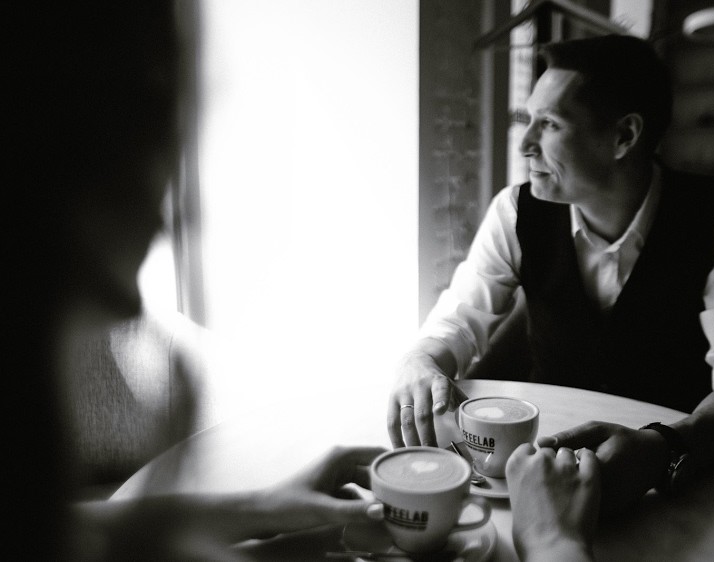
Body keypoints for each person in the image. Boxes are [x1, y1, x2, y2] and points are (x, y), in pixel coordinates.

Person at [5, 2, 599, 559]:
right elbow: (460, 316)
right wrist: (553, 542)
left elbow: (65, 528)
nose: (167, 223)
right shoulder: (516, 212)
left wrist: (264, 510)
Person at [389, 34, 714, 514]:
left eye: (550, 124)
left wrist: (665, 446)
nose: (525, 145)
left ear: (624, 136)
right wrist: (420, 361)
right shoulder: (514, 211)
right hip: (545, 464)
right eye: (528, 120)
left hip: (680, 479)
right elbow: (458, 322)